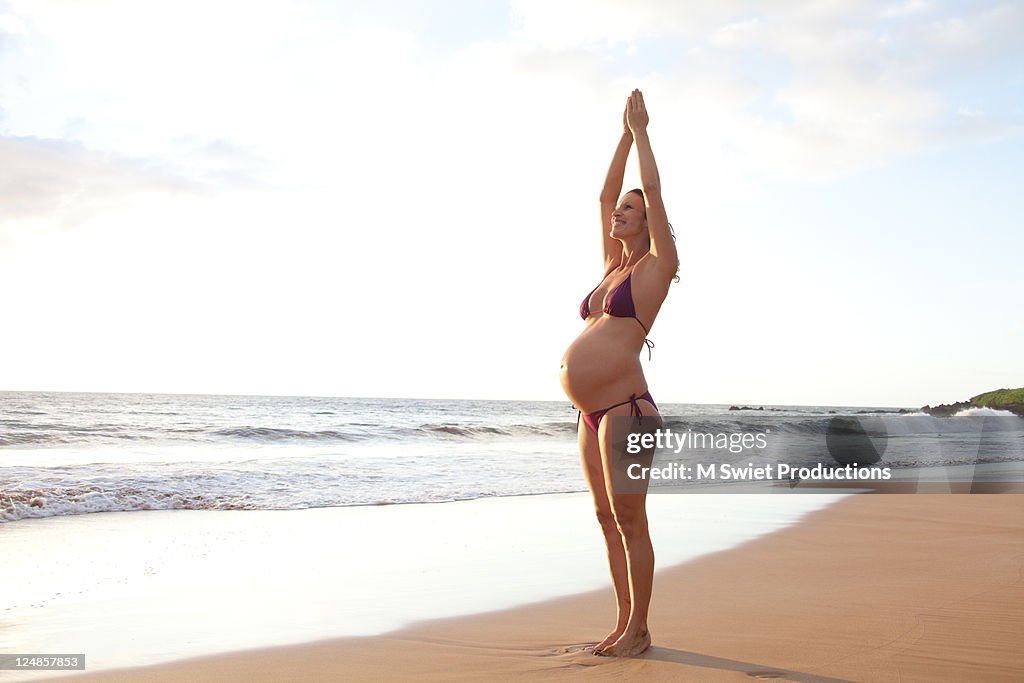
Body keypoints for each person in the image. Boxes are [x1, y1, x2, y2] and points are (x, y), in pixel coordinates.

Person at [559, 89, 677, 657]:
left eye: (629, 211)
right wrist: (621, 136)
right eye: (619, 210)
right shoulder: (612, 268)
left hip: (627, 409)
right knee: (606, 517)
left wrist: (644, 131)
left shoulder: (658, 266)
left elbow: (648, 189)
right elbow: (604, 191)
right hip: (590, 412)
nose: (618, 212)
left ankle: (642, 629)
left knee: (631, 516)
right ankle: (623, 620)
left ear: (647, 219)